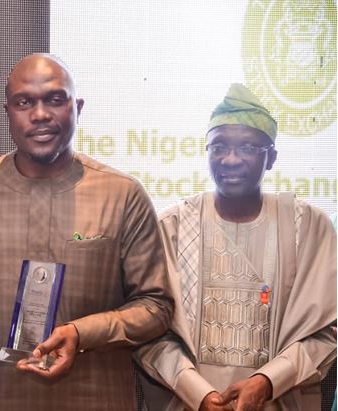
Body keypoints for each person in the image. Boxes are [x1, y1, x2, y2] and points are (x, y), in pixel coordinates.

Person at [0, 53, 174, 411]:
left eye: (54, 99)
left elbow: (156, 307)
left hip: (95, 397)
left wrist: (81, 333)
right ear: (8, 113)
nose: (40, 114)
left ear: (76, 107)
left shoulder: (122, 194)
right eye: (24, 102)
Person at [135, 83, 337, 410]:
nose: (230, 160)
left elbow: (326, 334)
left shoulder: (308, 227)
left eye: (246, 148)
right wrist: (199, 393)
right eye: (218, 147)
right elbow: (148, 329)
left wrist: (268, 381)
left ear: (271, 158)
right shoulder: (172, 227)